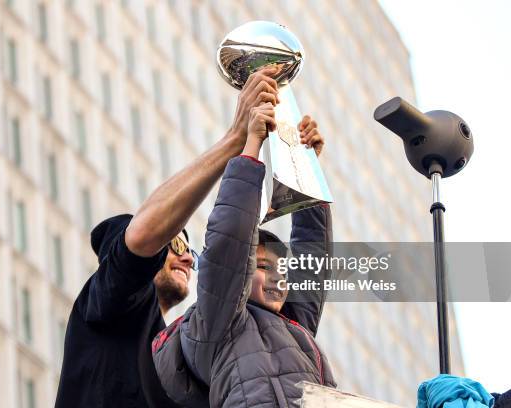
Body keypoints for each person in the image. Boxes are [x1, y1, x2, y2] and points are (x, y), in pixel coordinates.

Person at [55, 67, 323, 408]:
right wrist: (237, 140)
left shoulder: (185, 353)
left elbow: (306, 281)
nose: (187, 258)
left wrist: (304, 171)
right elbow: (145, 239)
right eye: (176, 244)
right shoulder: (108, 301)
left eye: (190, 250)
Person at [152, 102, 336, 407]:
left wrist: (306, 169)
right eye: (264, 266)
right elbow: (231, 242)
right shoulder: (217, 322)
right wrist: (251, 144)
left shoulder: (295, 325)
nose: (279, 277)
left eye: (283, 270)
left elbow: (313, 252)